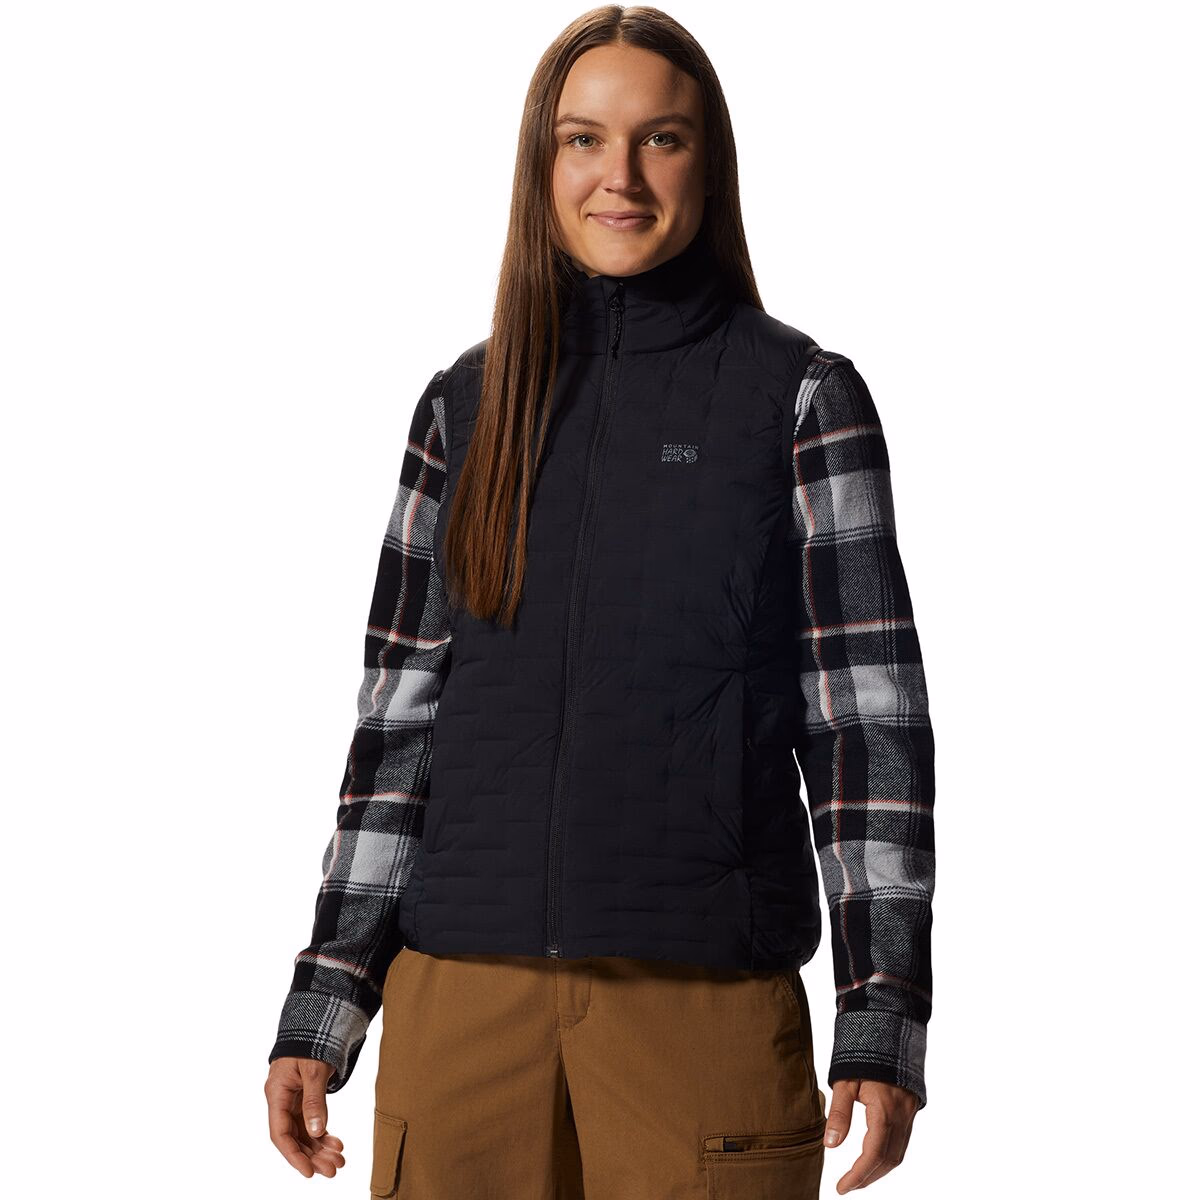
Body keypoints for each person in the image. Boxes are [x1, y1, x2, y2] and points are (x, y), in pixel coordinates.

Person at [264, 7, 935, 1198]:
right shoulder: (463, 407)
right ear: (543, 164)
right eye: (583, 139)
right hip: (458, 1011)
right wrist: (326, 998)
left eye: (660, 139)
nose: (618, 176)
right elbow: (398, 728)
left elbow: (865, 729)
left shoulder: (799, 398)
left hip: (703, 1013)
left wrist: (881, 1015)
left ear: (709, 165)